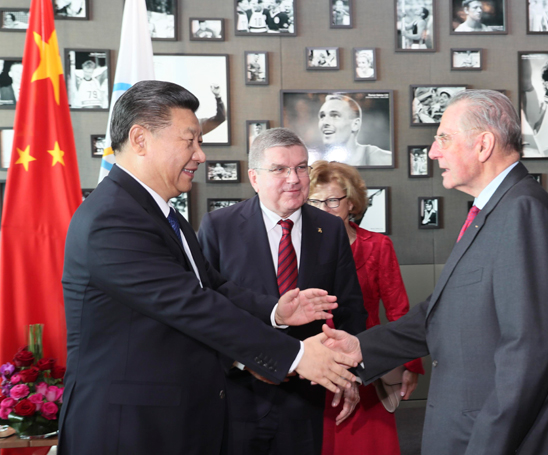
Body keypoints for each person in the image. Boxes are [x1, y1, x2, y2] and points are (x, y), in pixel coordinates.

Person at [59, 81, 358, 455]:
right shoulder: (113, 219)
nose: (200, 155)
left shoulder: (161, 212)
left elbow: (210, 287)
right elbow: (191, 305)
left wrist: (276, 311)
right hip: (129, 427)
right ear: (140, 140)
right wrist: (296, 356)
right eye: (190, 141)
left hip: (172, 418)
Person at [322, 89, 548, 455]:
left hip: (504, 438)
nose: (433, 152)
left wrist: (486, 445)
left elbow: (531, 350)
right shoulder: (495, 210)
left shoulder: (522, 211)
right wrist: (360, 346)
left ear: (483, 145)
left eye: (443, 138)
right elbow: (443, 311)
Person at [197, 128, 367, 455]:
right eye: (280, 169)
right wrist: (242, 363)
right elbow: (207, 307)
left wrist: (349, 373)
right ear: (254, 178)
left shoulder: (329, 228)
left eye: (301, 167)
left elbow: (349, 307)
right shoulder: (219, 227)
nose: (294, 178)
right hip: (239, 392)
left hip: (305, 397)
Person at [308, 160, 425, 455]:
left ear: (352, 204)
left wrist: (411, 364)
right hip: (315, 365)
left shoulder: (378, 246)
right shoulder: (298, 249)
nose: (325, 209)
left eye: (333, 200)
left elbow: (399, 309)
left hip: (366, 364)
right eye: (315, 201)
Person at [315, 94, 392, 166]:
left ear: (355, 124)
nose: (325, 122)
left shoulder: (383, 159)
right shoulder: (315, 163)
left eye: (335, 115)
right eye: (322, 116)